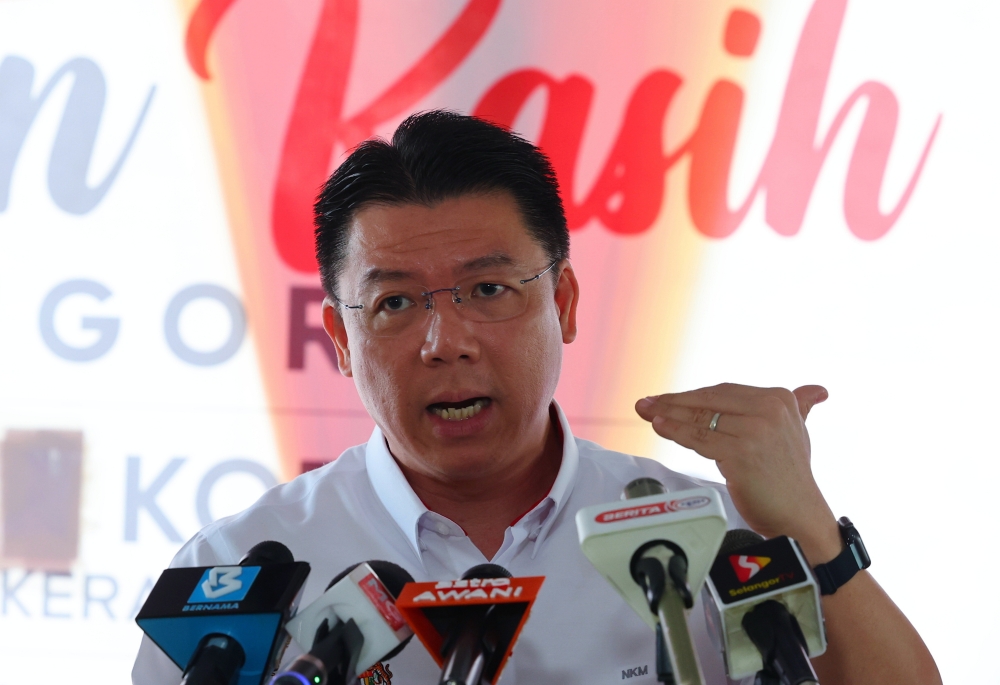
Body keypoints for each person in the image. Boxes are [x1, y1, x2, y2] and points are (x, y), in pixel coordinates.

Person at [133, 111, 940, 684]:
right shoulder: (239, 572)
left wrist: (805, 524)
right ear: (340, 342)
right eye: (394, 302)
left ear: (565, 304)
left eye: (488, 287)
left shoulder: (707, 537)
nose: (444, 339)